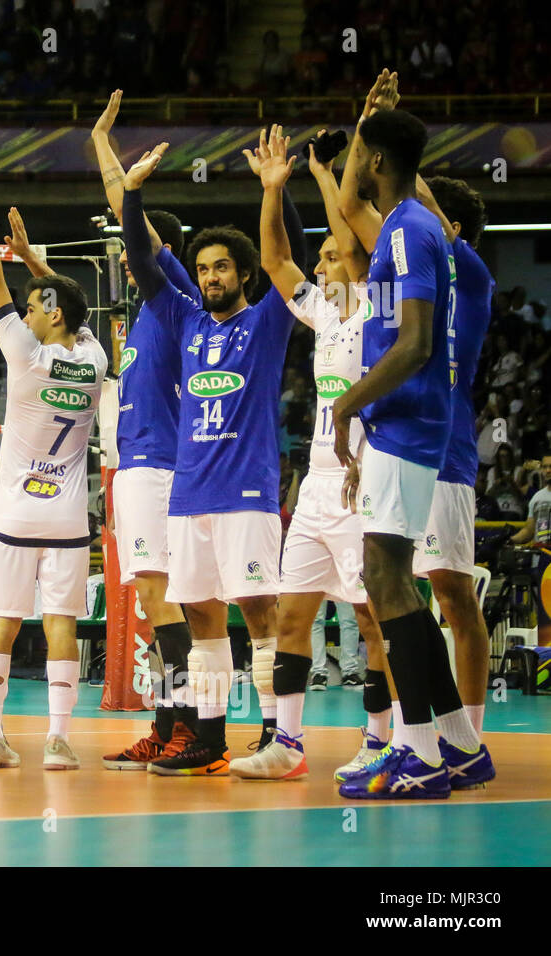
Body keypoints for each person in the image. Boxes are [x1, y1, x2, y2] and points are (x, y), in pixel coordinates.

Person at [332, 72, 489, 799]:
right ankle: (456, 743)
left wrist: (344, 405)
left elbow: (415, 343)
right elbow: (348, 200)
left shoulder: (409, 231)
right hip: (415, 425)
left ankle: (419, 757)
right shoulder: (410, 228)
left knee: (385, 578)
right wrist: (373, 120)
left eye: (360, 149)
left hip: (404, 422)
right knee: (397, 582)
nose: (352, 160)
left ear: (379, 163)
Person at [122, 135, 299, 777]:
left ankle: (281, 736)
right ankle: (210, 737)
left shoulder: (269, 321)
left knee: (260, 614)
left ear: (245, 274)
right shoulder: (187, 322)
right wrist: (133, 192)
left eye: (222, 267)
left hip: (245, 494)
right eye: (202, 269)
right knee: (201, 620)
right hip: (187, 496)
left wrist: (275, 190)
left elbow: (290, 258)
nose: (211, 277)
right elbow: (143, 262)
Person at [227, 123, 384, 781]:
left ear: (356, 261)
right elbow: (274, 261)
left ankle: (383, 741)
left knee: (376, 621)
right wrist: (273, 189)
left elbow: (353, 219)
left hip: (367, 481)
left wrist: (338, 166)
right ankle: (287, 746)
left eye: (329, 256)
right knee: (294, 613)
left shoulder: (381, 305)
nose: (317, 264)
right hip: (316, 486)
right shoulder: (325, 311)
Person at [0, 157, 105, 771]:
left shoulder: (25, 355)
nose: (24, 309)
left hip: (16, 515)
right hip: (69, 520)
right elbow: (75, 310)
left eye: (34, 305)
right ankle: (58, 740)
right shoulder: (95, 359)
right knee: (61, 623)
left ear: (52, 317)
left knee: (3, 622)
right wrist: (38, 268)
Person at [90, 90, 200, 770]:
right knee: (156, 600)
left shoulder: (173, 293)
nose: (127, 254)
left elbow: (133, 225)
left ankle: (189, 724)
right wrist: (100, 139)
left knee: (167, 601)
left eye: (139, 244)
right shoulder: (143, 309)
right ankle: (168, 725)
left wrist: (125, 189)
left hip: (161, 466)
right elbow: (120, 208)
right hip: (137, 468)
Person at [409, 175, 499, 784]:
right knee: (394, 598)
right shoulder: (414, 286)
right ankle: (409, 733)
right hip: (395, 451)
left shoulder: (471, 280)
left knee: (452, 595)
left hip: (446, 457)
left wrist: (396, 152)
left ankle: (468, 737)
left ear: (452, 230)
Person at [512, 455, 551, 646]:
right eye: (544, 467)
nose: (547, 471)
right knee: (544, 617)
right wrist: (510, 539)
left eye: (550, 467)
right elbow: (529, 529)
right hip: (543, 563)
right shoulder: (537, 497)